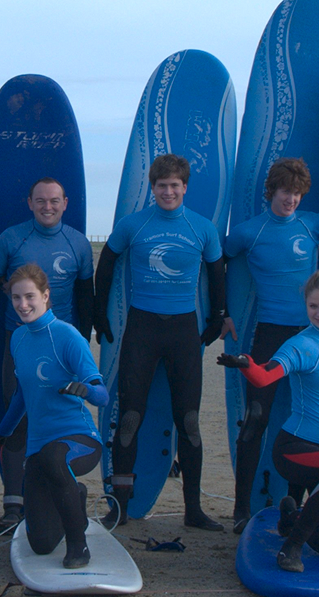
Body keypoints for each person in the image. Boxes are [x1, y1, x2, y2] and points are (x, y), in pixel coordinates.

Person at [94, 154, 230, 531]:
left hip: (184, 331)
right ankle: (119, 507)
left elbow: (217, 273)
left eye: (174, 185)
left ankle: (194, 510)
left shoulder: (202, 228)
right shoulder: (133, 225)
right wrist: (98, 312)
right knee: (130, 418)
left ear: (185, 187)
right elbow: (106, 265)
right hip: (142, 328)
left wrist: (218, 315)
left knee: (188, 420)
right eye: (161, 186)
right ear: (153, 188)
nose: (168, 192)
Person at [217, 270, 319, 572]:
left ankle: (291, 516)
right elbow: (266, 376)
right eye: (313, 307)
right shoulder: (301, 345)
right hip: (295, 448)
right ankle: (290, 548)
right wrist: (246, 365)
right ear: (306, 306)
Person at [0, 177, 95, 530]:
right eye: (40, 200)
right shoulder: (12, 238)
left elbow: (85, 297)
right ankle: (13, 506)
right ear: (29, 202)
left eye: (54, 200)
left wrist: (83, 341)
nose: (47, 206)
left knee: (59, 421)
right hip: (20, 343)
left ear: (65, 202)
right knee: (18, 418)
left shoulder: (79, 244)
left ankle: (60, 496)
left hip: (62, 348)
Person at [221, 157, 319, 526]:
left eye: (297, 193)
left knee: (311, 420)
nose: (291, 200)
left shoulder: (314, 226)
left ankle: (307, 505)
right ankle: (240, 509)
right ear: (271, 192)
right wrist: (223, 312)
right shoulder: (249, 232)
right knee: (256, 419)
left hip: (312, 338)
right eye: (285, 192)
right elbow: (218, 262)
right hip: (270, 335)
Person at [0, 264, 108, 568]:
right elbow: (22, 395)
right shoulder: (19, 339)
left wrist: (86, 391)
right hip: (39, 447)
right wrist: (3, 429)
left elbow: (102, 393)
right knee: (41, 543)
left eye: (30, 296)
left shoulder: (67, 336)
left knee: (56, 457)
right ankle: (74, 495)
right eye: (16, 298)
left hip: (80, 440)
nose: (23, 304)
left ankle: (79, 546)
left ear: (45, 295)